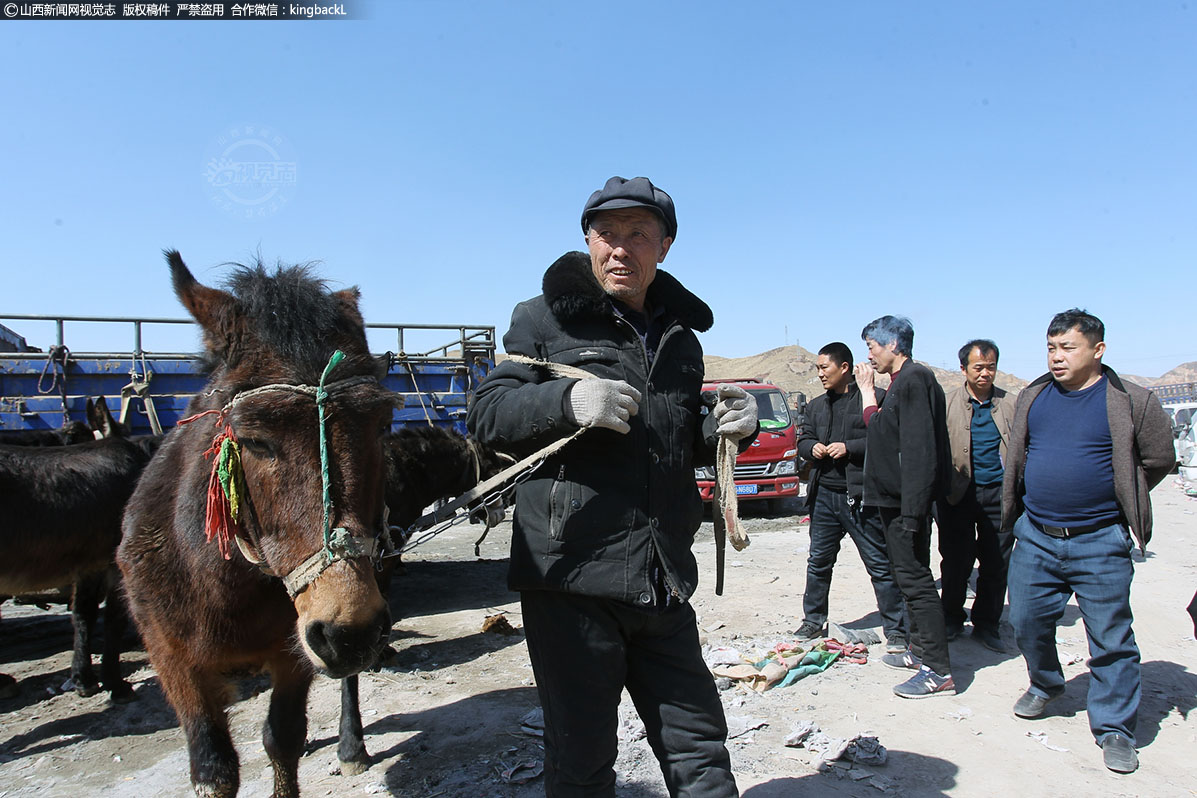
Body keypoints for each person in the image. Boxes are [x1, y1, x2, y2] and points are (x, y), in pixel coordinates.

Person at [467, 176, 757, 797]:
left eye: (638, 234)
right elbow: (487, 413)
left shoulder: (680, 337)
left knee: (700, 746)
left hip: (663, 579)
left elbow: (671, 440)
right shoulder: (543, 319)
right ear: (588, 241)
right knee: (583, 761)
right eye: (607, 233)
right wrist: (567, 400)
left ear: (666, 246)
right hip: (573, 582)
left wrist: (728, 430)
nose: (620, 248)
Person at [1003, 309, 1172, 774]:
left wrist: (1118, 499)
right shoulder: (1034, 395)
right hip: (1036, 535)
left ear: (1097, 350)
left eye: (1067, 348)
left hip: (1100, 539)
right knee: (1025, 619)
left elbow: (1158, 459)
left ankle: (1115, 727)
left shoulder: (1133, 400)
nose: (1056, 357)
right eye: (1051, 348)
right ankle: (1047, 683)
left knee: (1111, 638)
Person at [854, 315, 954, 698]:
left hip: (904, 505)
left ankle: (938, 670)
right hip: (895, 501)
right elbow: (884, 432)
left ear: (893, 344)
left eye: (873, 346)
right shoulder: (900, 383)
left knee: (916, 582)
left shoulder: (914, 379)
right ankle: (919, 650)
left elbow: (917, 449)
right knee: (907, 579)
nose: (871, 355)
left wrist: (913, 511)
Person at [794, 341, 907, 654]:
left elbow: (884, 438)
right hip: (824, 497)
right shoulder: (816, 406)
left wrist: (849, 448)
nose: (820, 374)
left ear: (844, 368)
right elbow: (803, 440)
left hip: (860, 498)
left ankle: (896, 629)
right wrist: (811, 448)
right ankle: (813, 620)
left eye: (824, 367)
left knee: (879, 565)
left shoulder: (873, 399)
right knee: (818, 562)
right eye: (817, 368)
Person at [937, 339, 1016, 652]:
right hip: (958, 494)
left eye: (991, 367)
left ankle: (986, 624)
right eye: (978, 367)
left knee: (996, 563)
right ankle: (952, 619)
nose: (985, 373)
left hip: (999, 493)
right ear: (964, 369)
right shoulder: (947, 403)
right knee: (956, 561)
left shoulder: (1011, 403)